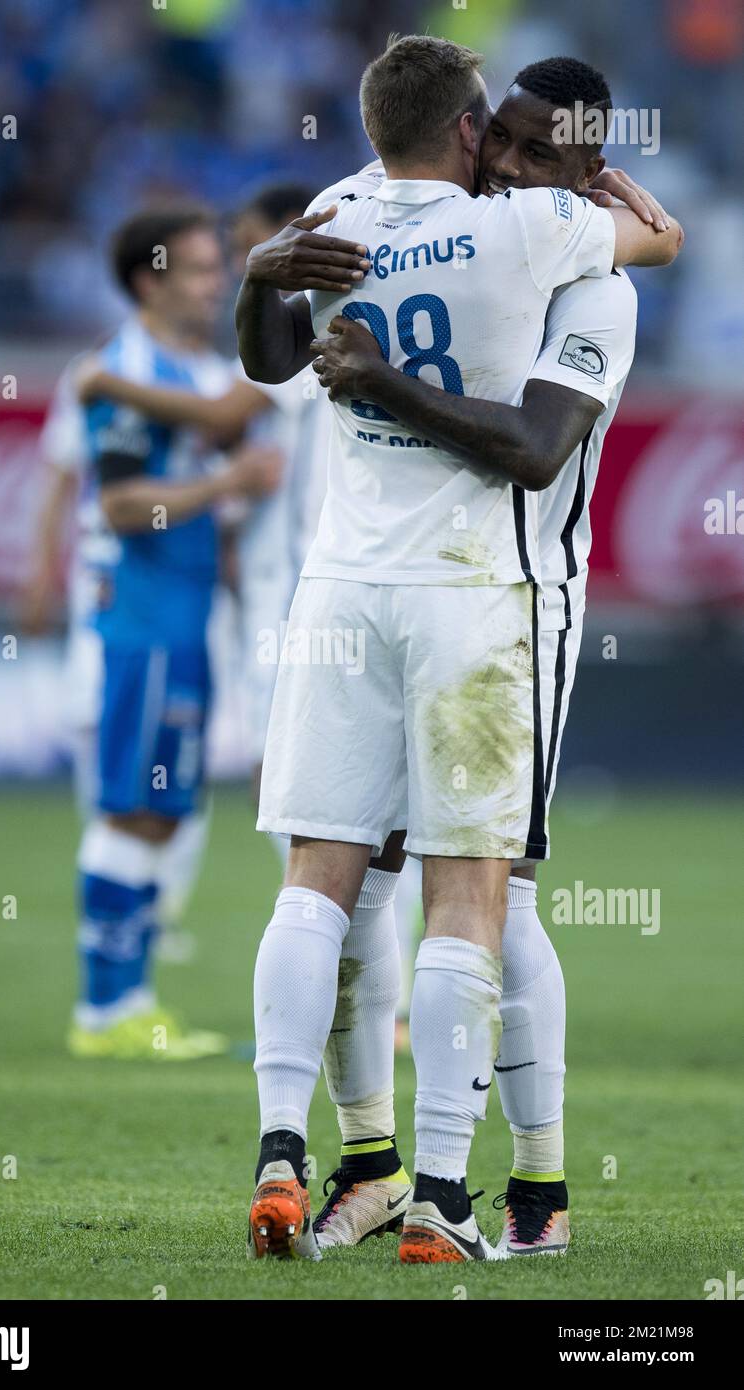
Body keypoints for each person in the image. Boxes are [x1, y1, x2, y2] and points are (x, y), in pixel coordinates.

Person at [235, 34, 681, 1263]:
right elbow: (658, 235)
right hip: (437, 599)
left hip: (501, 596)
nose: (515, 164)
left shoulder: (568, 269)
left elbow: (536, 444)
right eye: (506, 139)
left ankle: (525, 1178)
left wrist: (344, 351)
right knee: (382, 887)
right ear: (474, 129)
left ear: (585, 163)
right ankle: (387, 1169)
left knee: (481, 895)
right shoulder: (528, 233)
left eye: (544, 152)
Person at [69, 203, 280, 1061]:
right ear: (147, 280)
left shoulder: (175, 372)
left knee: (166, 810)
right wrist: (226, 484)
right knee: (135, 811)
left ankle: (131, 1001)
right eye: (197, 269)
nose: (214, 283)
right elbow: (122, 505)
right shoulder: (128, 364)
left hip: (186, 616)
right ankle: (107, 1010)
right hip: (144, 621)